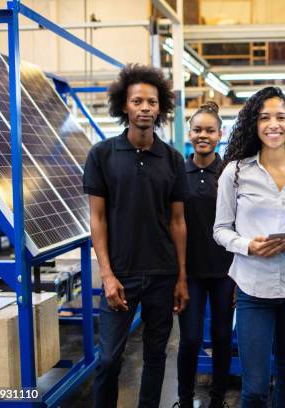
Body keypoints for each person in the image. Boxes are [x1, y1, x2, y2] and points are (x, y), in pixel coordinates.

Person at [83, 64, 189, 408]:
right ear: (124, 106)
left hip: (162, 273)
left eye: (152, 102)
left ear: (161, 108)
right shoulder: (102, 155)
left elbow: (177, 221)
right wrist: (107, 275)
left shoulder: (172, 159)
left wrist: (181, 277)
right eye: (138, 101)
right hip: (121, 275)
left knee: (156, 357)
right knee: (109, 359)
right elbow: (96, 218)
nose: (146, 108)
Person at [213, 86, 285, 408]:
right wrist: (248, 246)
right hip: (253, 290)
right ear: (254, 125)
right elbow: (220, 230)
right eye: (264, 118)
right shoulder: (234, 173)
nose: (273, 124)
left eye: (280, 117)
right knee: (256, 386)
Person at [174, 102, 234, 408]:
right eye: (197, 129)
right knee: (191, 339)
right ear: (189, 133)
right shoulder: (177, 173)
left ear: (220, 134)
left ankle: (217, 400)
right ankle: (184, 400)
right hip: (190, 273)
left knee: (223, 337)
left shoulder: (230, 174)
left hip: (225, 272)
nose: (203, 135)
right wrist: (178, 274)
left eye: (210, 130)